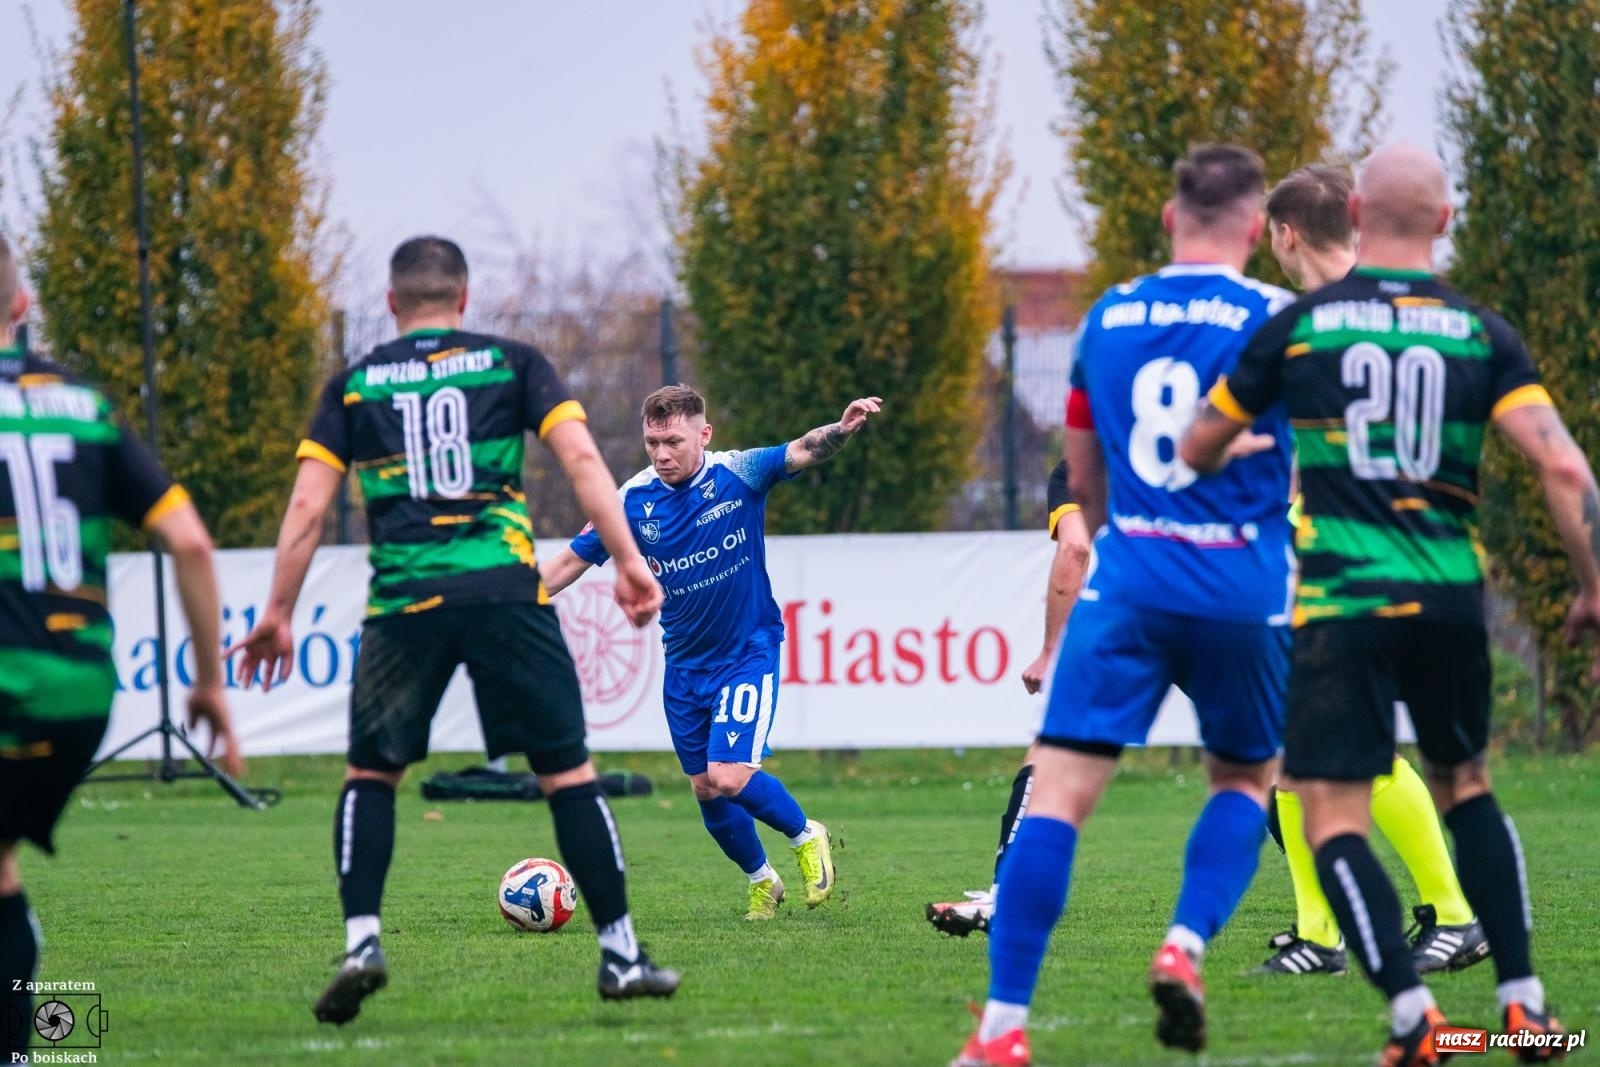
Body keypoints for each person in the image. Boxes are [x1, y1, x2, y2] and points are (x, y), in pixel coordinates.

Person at [1182, 142, 1596, 1065]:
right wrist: (1594, 587)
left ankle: (1416, 1019)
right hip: (1450, 595)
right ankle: (1525, 1007)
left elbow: (1199, 443)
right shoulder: (1484, 333)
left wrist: (1226, 442)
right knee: (1466, 785)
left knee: (1326, 808)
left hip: (1340, 602)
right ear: (1446, 221)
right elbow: (1564, 465)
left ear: (1355, 213)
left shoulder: (1301, 328)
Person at [227, 236, 679, 1025]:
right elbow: (578, 458)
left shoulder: (355, 384)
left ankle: (363, 941)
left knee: (372, 776)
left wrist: (277, 611)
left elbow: (305, 508)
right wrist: (632, 562)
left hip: (405, 600)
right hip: (506, 590)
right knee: (567, 774)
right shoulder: (513, 362)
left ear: (393, 302)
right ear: (464, 299)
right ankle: (620, 951)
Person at [953, 144, 1296, 1067]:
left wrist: (1122, 534)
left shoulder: (1107, 316)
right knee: (1242, 782)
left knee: (1058, 796)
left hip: (1131, 582)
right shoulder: (1278, 316)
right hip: (1244, 589)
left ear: (1168, 218)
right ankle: (1183, 944)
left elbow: (1083, 478)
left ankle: (999, 1032)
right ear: (1258, 229)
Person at [0, 234, 242, 1061]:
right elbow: (194, 545)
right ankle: (31, 1042)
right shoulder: (89, 407)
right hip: (77, 691)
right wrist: (210, 683)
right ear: (23, 307)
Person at [1255, 164, 1488, 978]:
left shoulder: (1330, 317)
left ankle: (1457, 914)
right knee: (1287, 746)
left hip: (1356, 560)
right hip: (1354, 549)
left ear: (1285, 232)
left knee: (1358, 750)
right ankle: (1317, 932)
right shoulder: (1394, 306)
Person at [540, 385, 881, 920]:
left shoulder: (738, 474)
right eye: (652, 442)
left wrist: (841, 428)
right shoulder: (631, 500)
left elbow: (803, 449)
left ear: (704, 434)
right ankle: (761, 881)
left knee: (729, 774)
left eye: (673, 440)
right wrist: (509, 602)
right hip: (684, 666)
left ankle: (805, 834)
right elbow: (568, 563)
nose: (661, 454)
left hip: (748, 652)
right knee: (705, 788)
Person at [925, 459, 1090, 937]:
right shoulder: (1196, 448)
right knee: (1258, 766)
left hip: (1136, 617)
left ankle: (1007, 895)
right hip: (1221, 609)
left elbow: (1076, 549)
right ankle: (1319, 908)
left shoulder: (1084, 464)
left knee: (1051, 753)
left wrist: (1049, 652)